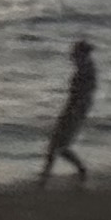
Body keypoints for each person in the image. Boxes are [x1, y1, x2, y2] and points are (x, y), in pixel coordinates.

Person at [38, 39, 98, 185]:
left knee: (58, 144)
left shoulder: (87, 72)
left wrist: (75, 112)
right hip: (73, 110)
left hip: (75, 111)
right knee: (59, 144)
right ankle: (51, 172)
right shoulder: (86, 70)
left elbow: (84, 96)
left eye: (75, 54)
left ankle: (48, 174)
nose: (72, 58)